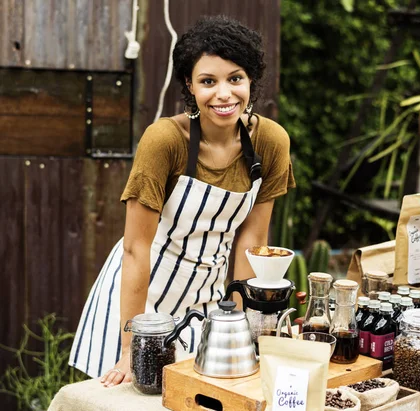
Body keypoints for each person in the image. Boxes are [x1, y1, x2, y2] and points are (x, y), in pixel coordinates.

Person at [69, 16, 295, 387]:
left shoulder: (271, 142)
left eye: (235, 78)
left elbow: (252, 244)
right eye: (208, 81)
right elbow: (136, 248)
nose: (224, 94)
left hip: (205, 301)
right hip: (138, 297)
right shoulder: (165, 141)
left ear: (251, 79)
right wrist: (131, 347)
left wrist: (237, 328)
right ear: (190, 86)